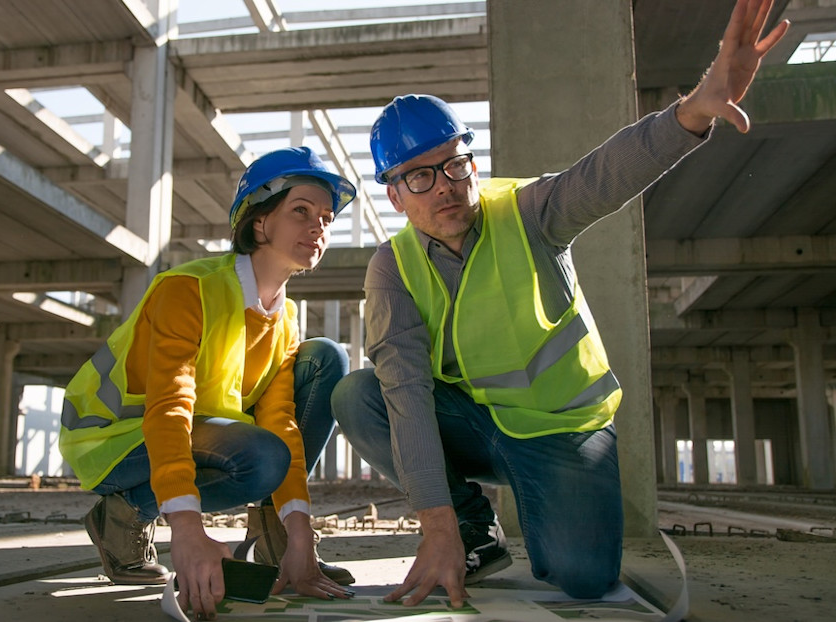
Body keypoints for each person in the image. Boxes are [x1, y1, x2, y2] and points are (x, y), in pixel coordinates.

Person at [330, 0, 788, 608]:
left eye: (455, 164)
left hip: (561, 431)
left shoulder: (528, 213)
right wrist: (438, 525)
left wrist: (691, 115)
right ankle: (474, 530)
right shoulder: (393, 268)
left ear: (470, 161)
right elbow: (408, 395)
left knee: (582, 578)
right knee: (359, 395)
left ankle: (552, 516)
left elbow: (603, 176)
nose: (445, 186)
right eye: (420, 176)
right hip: (472, 425)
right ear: (394, 195)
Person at [60, 146, 357, 620]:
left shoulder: (286, 318)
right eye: (301, 211)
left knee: (326, 358)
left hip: (201, 434)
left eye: (326, 217)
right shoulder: (187, 289)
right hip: (116, 439)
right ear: (259, 223)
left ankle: (276, 538)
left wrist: (300, 535)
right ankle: (125, 512)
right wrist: (187, 527)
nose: (319, 225)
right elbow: (170, 406)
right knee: (262, 459)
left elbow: (282, 422)